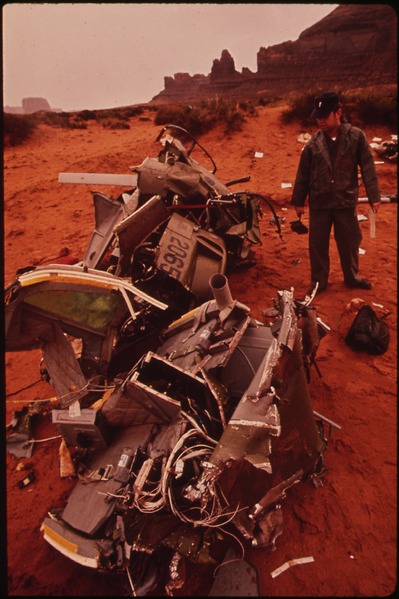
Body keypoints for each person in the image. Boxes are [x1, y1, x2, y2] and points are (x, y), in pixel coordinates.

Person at [291, 91, 381, 295]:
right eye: (318, 117)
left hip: (345, 201)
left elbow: (368, 167)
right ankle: (319, 281)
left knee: (349, 242)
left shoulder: (356, 137)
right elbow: (302, 174)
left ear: (338, 113)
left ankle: (352, 277)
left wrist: (374, 196)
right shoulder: (313, 144)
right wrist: (298, 201)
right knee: (317, 244)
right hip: (320, 202)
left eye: (324, 116)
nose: (320, 121)